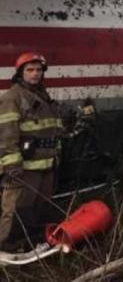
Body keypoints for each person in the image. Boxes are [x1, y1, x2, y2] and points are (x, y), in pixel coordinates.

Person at [0, 52, 61, 251]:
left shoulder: (42, 96)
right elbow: (7, 135)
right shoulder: (13, 97)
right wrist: (12, 166)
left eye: (38, 70)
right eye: (30, 70)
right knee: (17, 208)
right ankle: (6, 246)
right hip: (24, 167)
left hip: (46, 164)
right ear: (20, 73)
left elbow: (52, 129)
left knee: (40, 208)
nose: (35, 74)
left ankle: (31, 243)